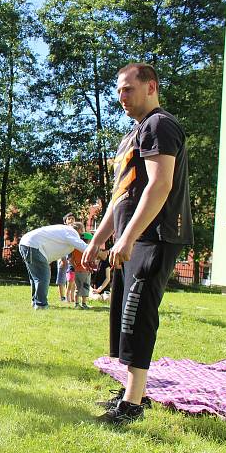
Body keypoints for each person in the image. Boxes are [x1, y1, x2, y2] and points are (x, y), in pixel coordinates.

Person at [82, 63, 193, 425]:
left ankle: (132, 405)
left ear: (151, 87)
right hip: (133, 238)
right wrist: (99, 239)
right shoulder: (134, 133)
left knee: (137, 312)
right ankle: (134, 390)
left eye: (129, 89)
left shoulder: (161, 125)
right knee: (123, 314)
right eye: (119, 91)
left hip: (156, 236)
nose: (122, 97)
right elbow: (122, 194)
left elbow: (159, 186)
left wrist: (127, 237)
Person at [19, 224, 103, 309]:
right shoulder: (72, 232)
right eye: (82, 231)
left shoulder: (64, 230)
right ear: (80, 230)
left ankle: (36, 302)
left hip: (27, 244)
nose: (82, 235)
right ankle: (41, 305)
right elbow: (82, 246)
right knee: (43, 277)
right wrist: (99, 253)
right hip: (33, 245)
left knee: (36, 278)